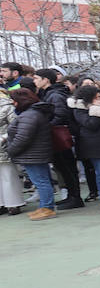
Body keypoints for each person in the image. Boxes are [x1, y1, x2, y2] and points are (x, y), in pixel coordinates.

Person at [32, 69, 83, 210]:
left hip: (59, 135)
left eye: (36, 78)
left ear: (46, 80)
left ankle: (75, 197)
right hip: (55, 135)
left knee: (67, 167)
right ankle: (71, 196)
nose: (34, 81)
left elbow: (60, 114)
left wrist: (47, 126)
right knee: (62, 167)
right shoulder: (48, 93)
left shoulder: (54, 95)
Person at [5, 87, 56, 219]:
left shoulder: (29, 115)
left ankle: (47, 208)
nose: (12, 103)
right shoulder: (33, 113)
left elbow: (23, 137)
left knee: (41, 181)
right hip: (34, 153)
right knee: (42, 181)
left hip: (32, 154)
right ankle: (44, 207)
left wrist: (11, 150)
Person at [0, 88, 23, 216]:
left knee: (8, 175)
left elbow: (14, 125)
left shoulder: (6, 105)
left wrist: (3, 137)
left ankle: (13, 203)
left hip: (3, 144)